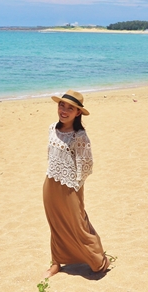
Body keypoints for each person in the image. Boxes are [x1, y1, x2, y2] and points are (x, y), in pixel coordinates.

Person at [42, 89, 109, 278]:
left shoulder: (79, 136)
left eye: (69, 108)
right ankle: (56, 262)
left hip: (70, 186)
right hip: (50, 184)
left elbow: (86, 164)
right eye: (61, 105)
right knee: (55, 224)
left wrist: (75, 185)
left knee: (78, 224)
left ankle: (99, 260)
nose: (63, 110)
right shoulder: (51, 128)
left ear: (78, 112)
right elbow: (51, 156)